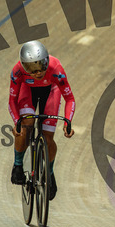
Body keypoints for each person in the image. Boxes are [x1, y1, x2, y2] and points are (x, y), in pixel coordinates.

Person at [8, 40, 75, 201]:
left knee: (47, 137)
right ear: (24, 66)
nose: (37, 73)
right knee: (26, 126)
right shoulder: (17, 72)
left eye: (41, 66)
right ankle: (18, 165)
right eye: (31, 69)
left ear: (47, 61)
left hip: (51, 91)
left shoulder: (56, 69)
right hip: (27, 90)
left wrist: (67, 122)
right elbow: (12, 100)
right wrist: (17, 122)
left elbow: (70, 99)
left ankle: (49, 173)